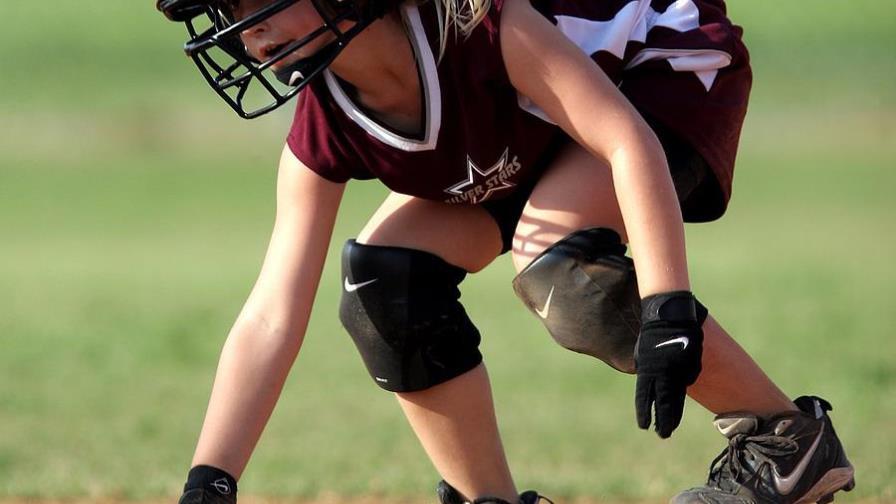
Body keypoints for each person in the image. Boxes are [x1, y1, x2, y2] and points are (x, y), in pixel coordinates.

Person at [157, 0, 856, 503]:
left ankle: (786, 442)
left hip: (657, 67)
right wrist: (209, 482)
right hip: (536, 124)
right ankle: (488, 499)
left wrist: (668, 304)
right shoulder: (328, 122)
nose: (234, 24)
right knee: (384, 282)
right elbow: (271, 317)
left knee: (558, 271)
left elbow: (623, 140)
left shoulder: (480, 21)